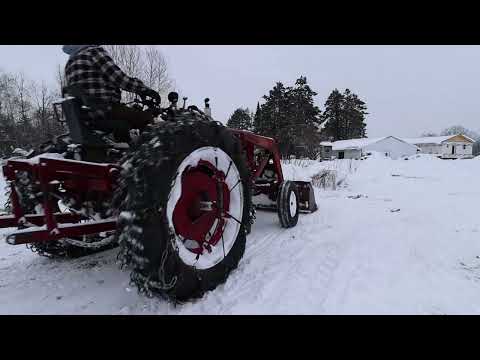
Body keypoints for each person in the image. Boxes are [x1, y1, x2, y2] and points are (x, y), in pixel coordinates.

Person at [62, 45, 161, 143]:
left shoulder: (69, 64)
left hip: (84, 116)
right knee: (145, 118)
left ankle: (125, 147)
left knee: (125, 122)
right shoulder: (93, 52)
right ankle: (148, 155)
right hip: (104, 109)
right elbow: (120, 79)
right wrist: (145, 90)